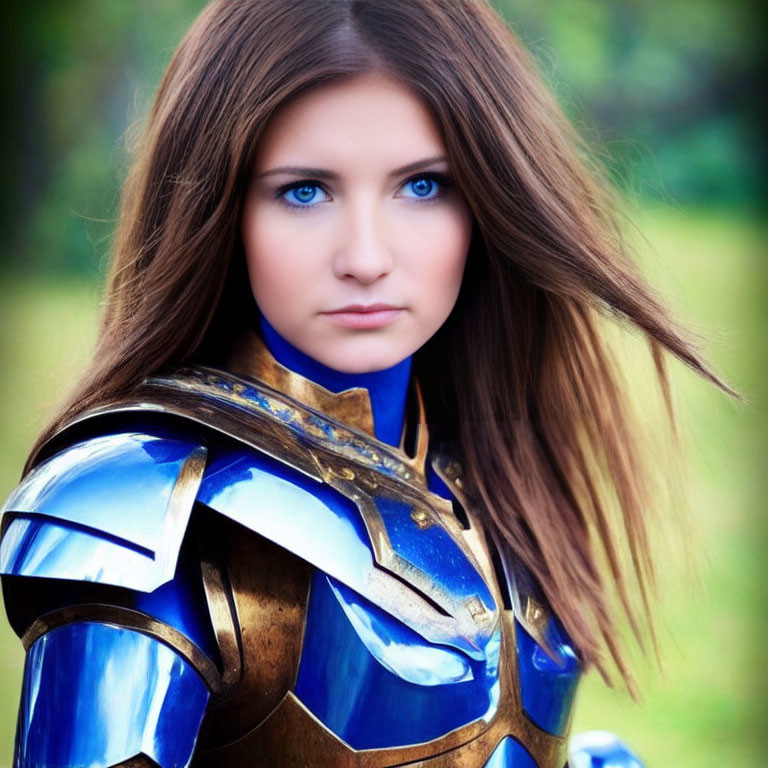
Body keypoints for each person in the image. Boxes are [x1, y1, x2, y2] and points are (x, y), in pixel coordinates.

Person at [0, 1, 733, 766]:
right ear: (222, 207)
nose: (366, 256)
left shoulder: (493, 475)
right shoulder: (143, 509)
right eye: (305, 191)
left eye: (421, 186)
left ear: (489, 198)